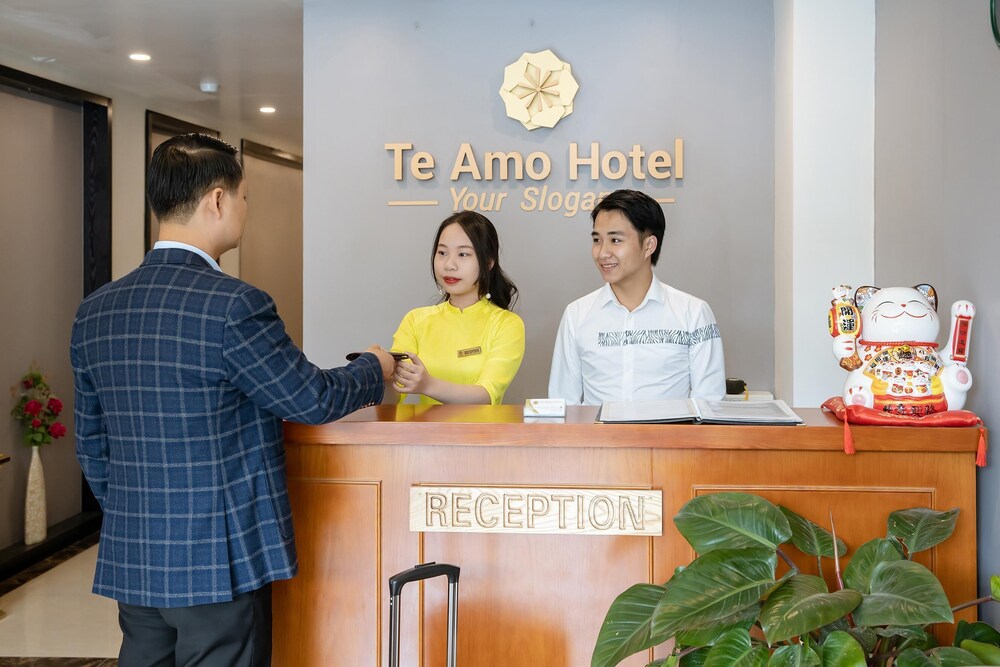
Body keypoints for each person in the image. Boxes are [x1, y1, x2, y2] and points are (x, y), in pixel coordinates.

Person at [70, 133, 396, 666]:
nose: (246, 210)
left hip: (137, 554)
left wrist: (141, 514)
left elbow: (91, 444)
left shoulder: (97, 310)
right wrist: (374, 368)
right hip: (217, 562)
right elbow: (311, 398)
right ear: (217, 199)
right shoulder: (234, 305)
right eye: (245, 198)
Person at [548, 189, 725, 405]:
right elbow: (563, 404)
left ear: (649, 245)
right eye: (597, 240)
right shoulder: (576, 314)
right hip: (595, 429)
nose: (602, 253)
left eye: (615, 240)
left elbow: (709, 403)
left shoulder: (694, 313)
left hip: (672, 429)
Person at [389, 211, 525, 404]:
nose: (449, 265)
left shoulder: (507, 324)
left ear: (488, 262)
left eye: (463, 254)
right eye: (442, 253)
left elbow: (486, 395)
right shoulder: (415, 320)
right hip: (425, 425)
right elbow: (392, 397)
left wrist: (428, 385)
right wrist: (378, 370)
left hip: (481, 425)